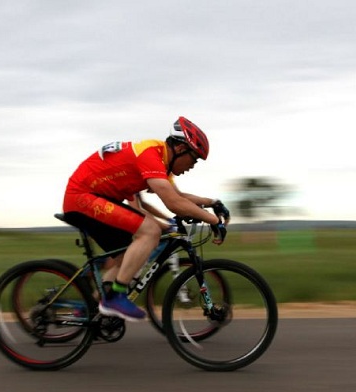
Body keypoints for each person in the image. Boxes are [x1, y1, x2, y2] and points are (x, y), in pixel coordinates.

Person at [62, 116, 230, 321]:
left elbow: (177, 196)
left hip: (96, 197)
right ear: (180, 149)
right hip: (82, 197)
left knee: (125, 256)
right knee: (150, 231)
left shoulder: (160, 159)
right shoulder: (150, 155)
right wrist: (214, 222)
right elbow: (173, 203)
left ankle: (98, 307)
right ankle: (114, 297)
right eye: (194, 159)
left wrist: (213, 203)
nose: (192, 166)